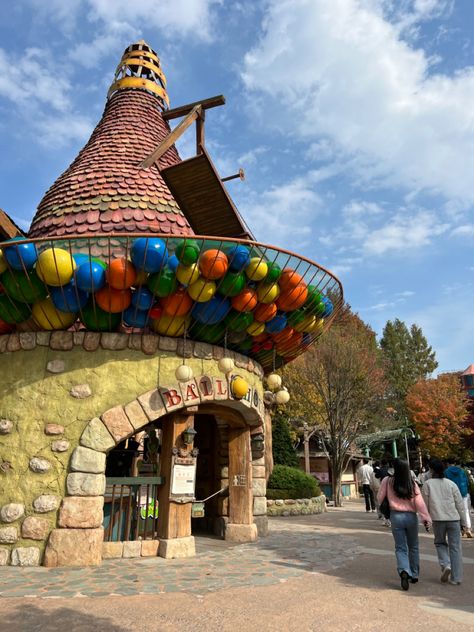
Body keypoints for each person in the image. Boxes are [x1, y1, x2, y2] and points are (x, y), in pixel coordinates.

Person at [378, 458, 431, 591]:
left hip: (396, 516)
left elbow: (379, 497)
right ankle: (414, 574)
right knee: (413, 546)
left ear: (394, 467)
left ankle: (404, 570)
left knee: (400, 547)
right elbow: (420, 503)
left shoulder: (387, 481)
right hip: (411, 517)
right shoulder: (412, 483)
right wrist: (425, 519)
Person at [422, 459, 467, 585]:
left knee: (440, 543)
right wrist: (464, 522)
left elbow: (425, 504)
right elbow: (460, 505)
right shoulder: (451, 484)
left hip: (438, 519)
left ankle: (445, 564)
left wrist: (426, 520)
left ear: (430, 469)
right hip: (454, 518)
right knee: (456, 548)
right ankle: (456, 578)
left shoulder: (428, 484)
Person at [445, 461, 472, 538]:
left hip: (452, 493)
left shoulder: (446, 471)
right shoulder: (462, 471)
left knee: (455, 512)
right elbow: (467, 482)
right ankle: (468, 528)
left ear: (448, 464)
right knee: (465, 510)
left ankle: (459, 530)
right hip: (464, 493)